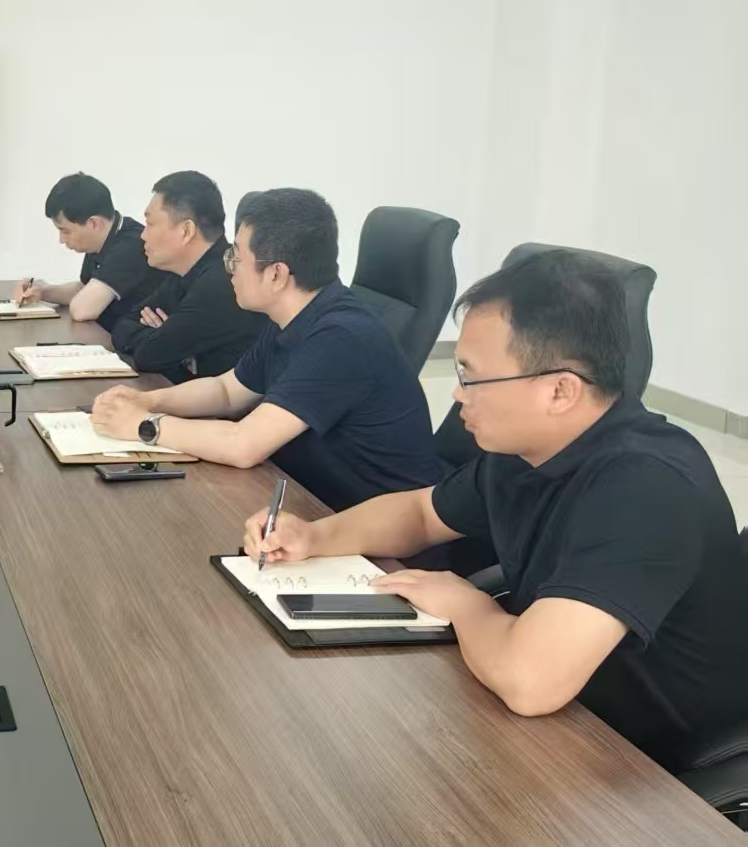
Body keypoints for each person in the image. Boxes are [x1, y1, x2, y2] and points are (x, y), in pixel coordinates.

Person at [244, 251, 748, 769]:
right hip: (565, 710)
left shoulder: (647, 487)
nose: (458, 394)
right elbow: (421, 514)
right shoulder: (526, 449)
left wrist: (467, 604)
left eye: (472, 376)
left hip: (649, 762)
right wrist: (316, 536)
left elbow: (531, 682)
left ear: (560, 390)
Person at [92, 188, 441, 509]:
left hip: (370, 531)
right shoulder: (292, 317)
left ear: (276, 274)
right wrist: (148, 401)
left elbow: (243, 444)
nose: (229, 268)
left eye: (236, 256)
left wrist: (143, 425)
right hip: (306, 497)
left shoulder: (341, 338)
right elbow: (227, 391)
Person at [110, 171, 263, 384]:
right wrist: (173, 348)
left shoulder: (222, 282)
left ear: (186, 231)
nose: (143, 235)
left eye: (150, 223)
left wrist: (163, 342)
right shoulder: (184, 272)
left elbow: (149, 356)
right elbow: (123, 325)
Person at [14, 173, 164, 329]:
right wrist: (42, 291)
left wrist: (52, 293)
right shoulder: (105, 237)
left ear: (93, 223)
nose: (61, 240)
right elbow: (84, 289)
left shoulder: (130, 245)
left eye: (65, 231)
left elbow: (83, 310)